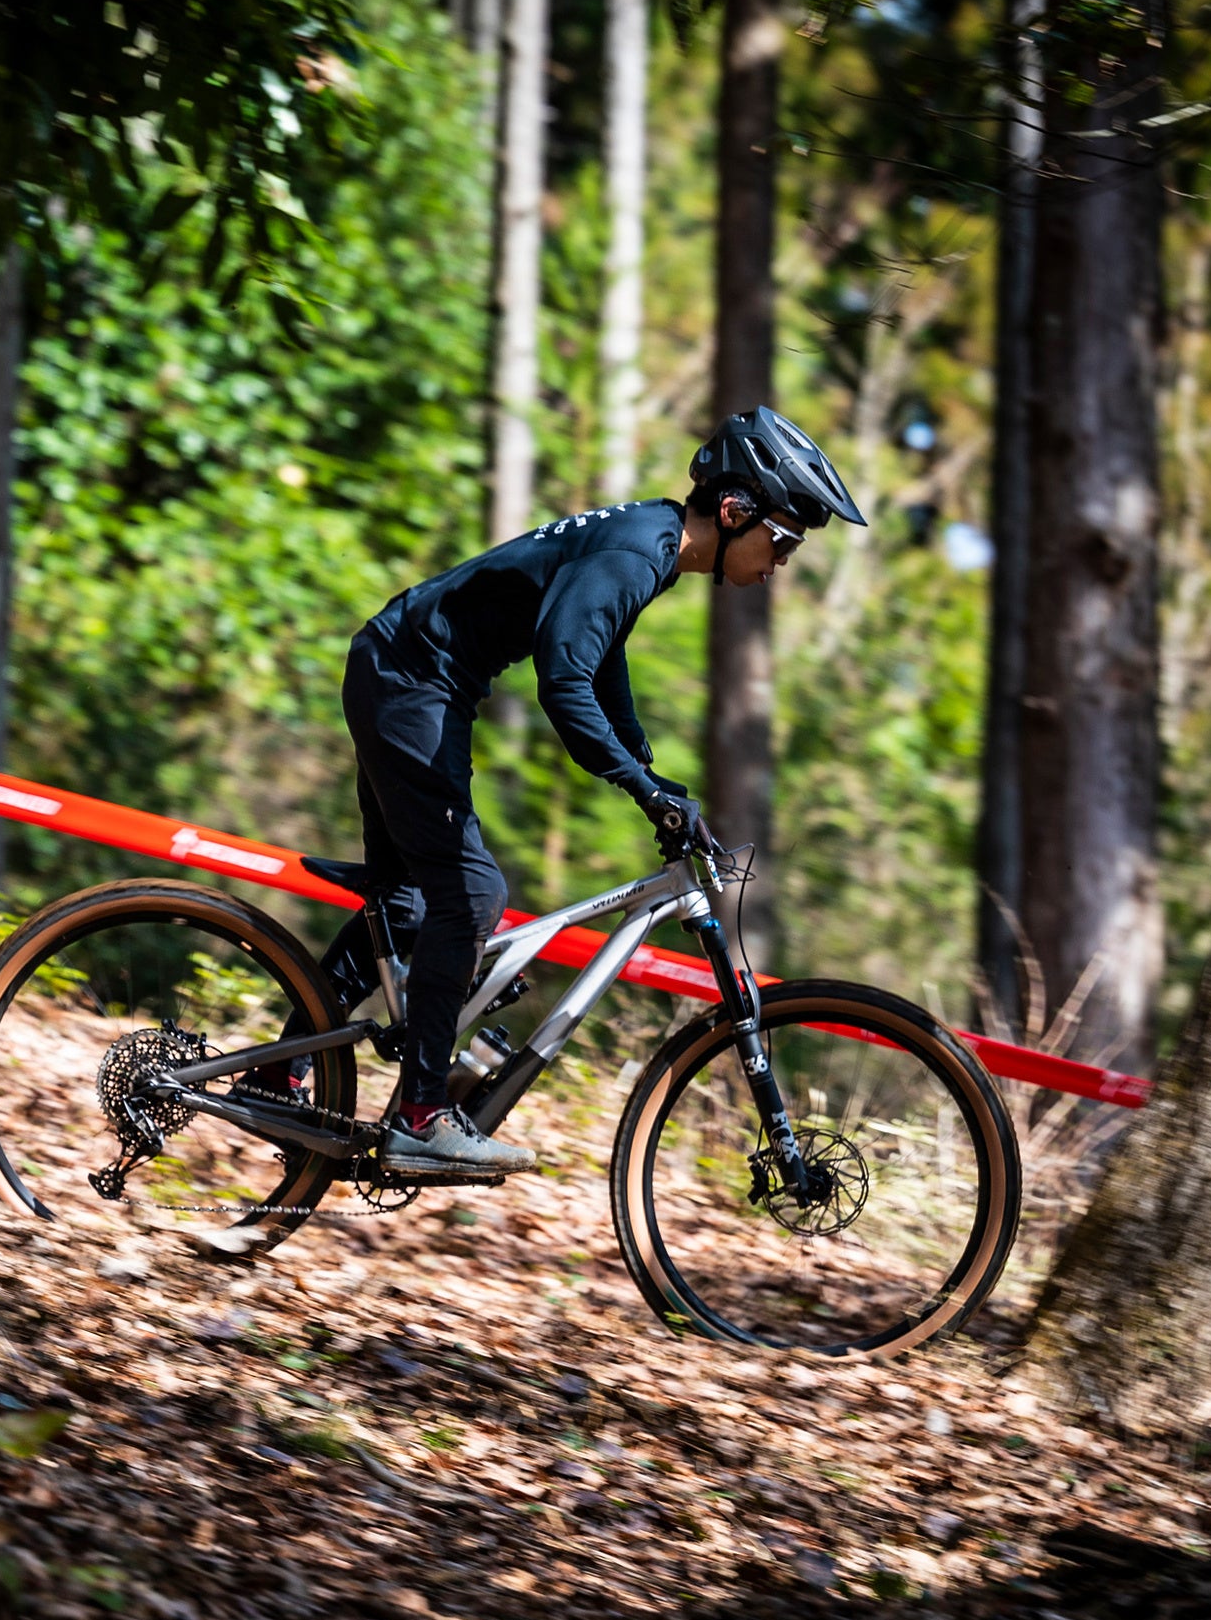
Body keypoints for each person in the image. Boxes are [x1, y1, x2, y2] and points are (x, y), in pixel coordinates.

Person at [325, 405, 864, 1177]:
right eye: (781, 539)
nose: (780, 561)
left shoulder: (651, 546)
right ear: (735, 508)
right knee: (473, 896)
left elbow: (600, 665)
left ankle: (286, 1065)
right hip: (410, 680)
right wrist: (642, 789)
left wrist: (651, 773)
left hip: (405, 674)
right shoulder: (636, 552)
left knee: (413, 899)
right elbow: (566, 685)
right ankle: (420, 1113)